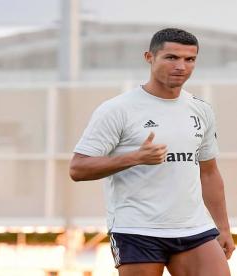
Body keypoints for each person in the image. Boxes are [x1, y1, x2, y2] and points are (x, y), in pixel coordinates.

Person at [69, 28, 234, 275]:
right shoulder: (118, 109)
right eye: (171, 57)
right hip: (137, 230)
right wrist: (135, 157)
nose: (181, 66)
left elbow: (209, 174)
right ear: (149, 57)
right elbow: (77, 169)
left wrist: (223, 227)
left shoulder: (201, 110)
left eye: (189, 59)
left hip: (194, 229)